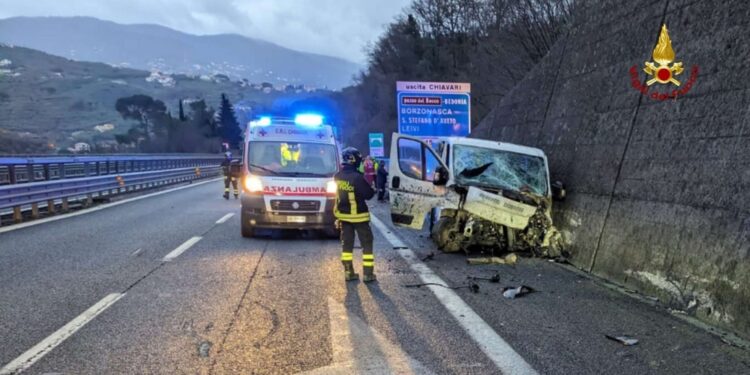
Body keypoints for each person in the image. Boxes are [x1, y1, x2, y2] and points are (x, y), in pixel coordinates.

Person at [334, 147, 376, 283]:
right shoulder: (357, 177)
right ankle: (368, 274)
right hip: (359, 217)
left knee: (347, 245)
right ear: (354, 159)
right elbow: (368, 195)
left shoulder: (337, 176)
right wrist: (373, 189)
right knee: (367, 243)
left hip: (344, 217)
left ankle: (348, 272)